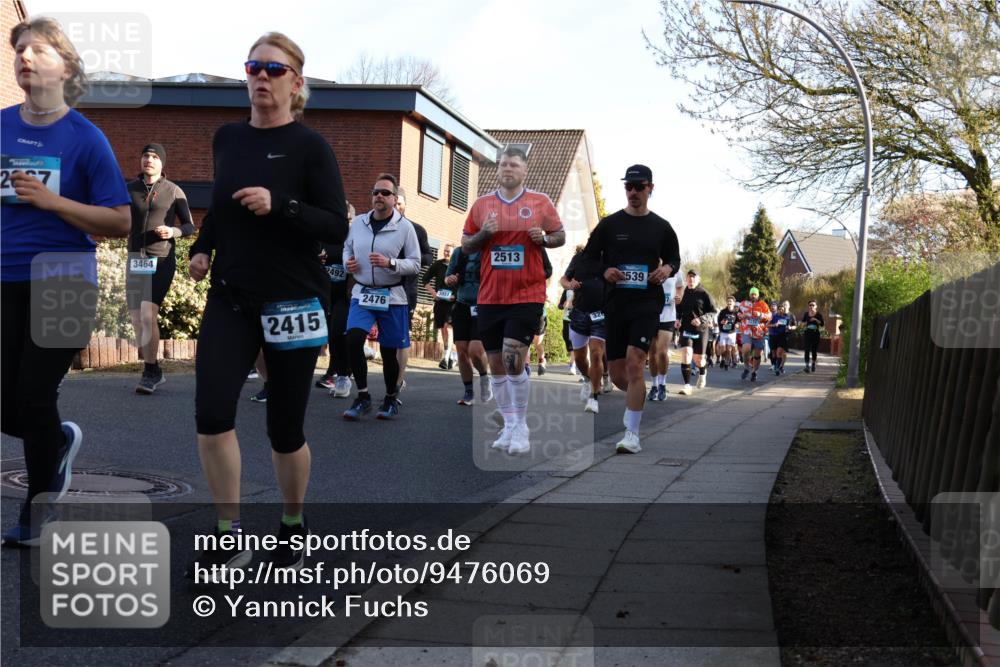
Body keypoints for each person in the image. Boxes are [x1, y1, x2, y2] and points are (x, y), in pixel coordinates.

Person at [186, 32, 348, 573]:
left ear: (296, 84)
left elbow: (335, 226)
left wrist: (282, 205)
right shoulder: (227, 137)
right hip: (231, 296)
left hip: (292, 301)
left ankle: (293, 521)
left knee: (285, 427)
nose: (261, 76)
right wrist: (204, 247)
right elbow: (221, 208)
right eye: (254, 66)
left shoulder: (310, 147)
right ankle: (227, 533)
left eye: (274, 69)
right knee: (211, 413)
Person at [1, 18, 131, 545]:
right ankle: (55, 442)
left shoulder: (86, 138)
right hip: (5, 277)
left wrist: (53, 202)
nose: (25, 56)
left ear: (67, 67)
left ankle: (38, 511)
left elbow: (120, 221)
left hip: (63, 280)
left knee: (32, 397)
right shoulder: (2, 124)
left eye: (38, 50)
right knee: (8, 406)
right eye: (19, 50)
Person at [462, 145, 565, 455]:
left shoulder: (540, 202)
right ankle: (509, 425)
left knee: (512, 358)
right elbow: (466, 245)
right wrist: (484, 235)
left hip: (527, 294)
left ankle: (521, 427)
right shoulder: (482, 205)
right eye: (503, 164)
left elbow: (560, 235)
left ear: (525, 171)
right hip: (491, 295)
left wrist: (544, 239)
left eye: (513, 165)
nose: (507, 169)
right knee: (496, 365)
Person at [582, 165, 680, 453]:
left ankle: (632, 434)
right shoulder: (610, 225)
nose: (634, 192)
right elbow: (588, 259)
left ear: (651, 188)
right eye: (629, 186)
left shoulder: (661, 227)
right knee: (617, 374)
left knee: (636, 362)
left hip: (647, 303)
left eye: (639, 186)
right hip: (616, 303)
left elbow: (675, 258)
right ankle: (636, 397)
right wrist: (605, 270)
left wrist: (666, 268)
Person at [341, 174, 420, 421]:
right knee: (353, 339)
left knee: (388, 351)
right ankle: (363, 396)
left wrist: (391, 263)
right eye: (375, 192)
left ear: (394, 199)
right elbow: (347, 248)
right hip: (362, 291)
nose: (379, 196)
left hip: (392, 295)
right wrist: (347, 263)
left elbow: (416, 264)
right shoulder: (359, 223)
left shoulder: (405, 227)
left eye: (385, 193)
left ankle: (389, 397)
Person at [125, 143, 195, 394]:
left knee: (146, 315)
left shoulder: (174, 191)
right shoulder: (129, 189)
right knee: (136, 319)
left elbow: (189, 226)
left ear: (162, 163)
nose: (149, 160)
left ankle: (151, 371)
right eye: (146, 155)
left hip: (161, 259)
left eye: (155, 157)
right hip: (136, 259)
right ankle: (152, 363)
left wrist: (173, 231)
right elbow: (118, 216)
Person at [561, 242, 608, 414]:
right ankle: (588, 378)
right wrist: (569, 285)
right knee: (580, 358)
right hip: (579, 313)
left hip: (601, 314)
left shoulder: (609, 259)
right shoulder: (579, 259)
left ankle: (593, 398)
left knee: (596, 353)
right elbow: (563, 280)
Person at [315, 202, 356, 396]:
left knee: (337, 333)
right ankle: (335, 372)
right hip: (324, 294)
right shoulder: (325, 236)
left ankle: (343, 376)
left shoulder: (354, 240)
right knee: (327, 336)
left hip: (344, 296)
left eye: (346, 218)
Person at [394, 187, 432, 392]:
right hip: (379, 291)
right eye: (395, 202)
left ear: (405, 205)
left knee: (401, 338)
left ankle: (399, 379)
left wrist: (411, 258)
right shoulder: (376, 227)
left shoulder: (416, 229)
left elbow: (428, 257)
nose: (397, 207)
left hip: (406, 290)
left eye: (400, 203)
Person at [444, 247, 492, 405]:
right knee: (462, 351)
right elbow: (447, 277)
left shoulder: (491, 250)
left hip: (484, 305)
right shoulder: (459, 252)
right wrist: (450, 279)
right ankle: (469, 392)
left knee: (475, 351)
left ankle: (485, 378)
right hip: (462, 304)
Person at [676, 270, 717, 395]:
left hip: (701, 330)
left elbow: (713, 312)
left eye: (693, 277)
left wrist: (701, 319)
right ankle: (687, 385)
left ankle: (702, 372)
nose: (691, 280)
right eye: (689, 277)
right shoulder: (684, 293)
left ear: (698, 279)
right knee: (686, 355)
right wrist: (678, 319)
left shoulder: (704, 293)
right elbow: (680, 309)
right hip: (686, 329)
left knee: (698, 359)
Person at [423, 244, 456, 370]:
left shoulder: (457, 266)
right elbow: (425, 279)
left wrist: (456, 296)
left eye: (449, 252)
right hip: (440, 302)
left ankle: (446, 356)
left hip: (452, 303)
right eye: (445, 251)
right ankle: (451, 357)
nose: (446, 253)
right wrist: (433, 293)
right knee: (443, 329)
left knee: (448, 328)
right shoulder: (438, 265)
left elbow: (463, 283)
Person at [647, 272, 678, 402]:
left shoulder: (676, 271)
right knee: (652, 354)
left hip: (668, 317)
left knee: (662, 351)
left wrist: (679, 296)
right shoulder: (648, 267)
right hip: (650, 316)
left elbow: (681, 287)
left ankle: (662, 384)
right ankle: (654, 385)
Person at [738, 287, 771, 383]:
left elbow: (769, 316)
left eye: (755, 294)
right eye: (752, 294)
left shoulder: (763, 304)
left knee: (757, 355)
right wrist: (742, 316)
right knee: (746, 349)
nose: (753, 296)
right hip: (747, 330)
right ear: (749, 295)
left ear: (758, 295)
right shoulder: (743, 304)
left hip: (759, 332)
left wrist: (760, 314)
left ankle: (754, 372)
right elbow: (738, 315)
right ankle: (746, 368)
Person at [768, 301, 796, 374]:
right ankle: (776, 366)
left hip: (785, 336)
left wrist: (790, 327)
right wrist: (775, 325)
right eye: (783, 305)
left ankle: (780, 367)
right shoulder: (775, 316)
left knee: (781, 352)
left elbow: (794, 326)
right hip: (775, 336)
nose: (784, 307)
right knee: (775, 352)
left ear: (789, 306)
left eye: (786, 305)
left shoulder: (790, 316)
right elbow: (768, 324)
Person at [557, 285, 577, 375]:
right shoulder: (567, 290)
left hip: (577, 319)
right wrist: (563, 305)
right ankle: (574, 362)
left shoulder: (580, 287)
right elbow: (560, 305)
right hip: (566, 318)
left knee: (574, 342)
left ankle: (572, 365)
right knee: (567, 339)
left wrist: (573, 305)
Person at [801, 300, 825, 373]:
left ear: (816, 306)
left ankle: (813, 363)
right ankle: (807, 366)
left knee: (814, 350)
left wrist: (815, 319)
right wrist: (803, 324)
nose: (811, 306)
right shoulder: (806, 314)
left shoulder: (818, 314)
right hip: (808, 333)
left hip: (815, 333)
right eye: (810, 305)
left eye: (813, 305)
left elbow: (822, 324)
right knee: (807, 349)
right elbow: (802, 323)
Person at [716, 296, 739, 370]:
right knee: (723, 349)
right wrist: (722, 322)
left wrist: (737, 324)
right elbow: (719, 321)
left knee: (729, 349)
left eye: (731, 301)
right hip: (723, 332)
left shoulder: (736, 312)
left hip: (732, 333)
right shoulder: (723, 311)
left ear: (733, 303)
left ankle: (726, 363)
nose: (729, 303)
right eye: (728, 301)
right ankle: (723, 359)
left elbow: (739, 321)